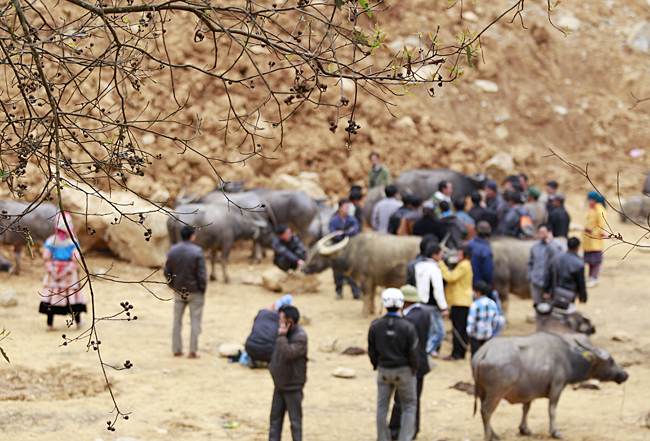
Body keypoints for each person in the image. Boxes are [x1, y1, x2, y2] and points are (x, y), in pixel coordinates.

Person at [368, 288, 419, 441]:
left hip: (383, 370)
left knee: (382, 407)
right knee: (409, 406)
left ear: (384, 304)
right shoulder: (407, 326)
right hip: (404, 371)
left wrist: (377, 364)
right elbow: (413, 352)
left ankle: (383, 438)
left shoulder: (376, 325)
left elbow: (371, 350)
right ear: (401, 304)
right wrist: (413, 367)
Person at [389, 285, 431, 440]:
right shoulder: (423, 314)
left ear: (404, 302)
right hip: (421, 364)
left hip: (409, 366)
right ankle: (413, 430)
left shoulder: (408, 320)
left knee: (401, 400)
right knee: (414, 401)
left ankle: (395, 432)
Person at [165, 225, 208, 358]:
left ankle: (176, 349)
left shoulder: (173, 250)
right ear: (192, 236)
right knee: (195, 322)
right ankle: (193, 351)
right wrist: (202, 289)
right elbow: (202, 275)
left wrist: (173, 285)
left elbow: (167, 272)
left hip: (179, 291)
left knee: (177, 321)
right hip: (195, 292)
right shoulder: (197, 252)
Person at [39, 212, 86, 331]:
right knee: (71, 297)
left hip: (56, 271)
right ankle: (78, 322)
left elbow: (46, 257)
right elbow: (76, 258)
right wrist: (67, 270)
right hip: (67, 273)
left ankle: (50, 324)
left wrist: (52, 271)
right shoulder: (72, 241)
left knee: (52, 296)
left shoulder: (50, 241)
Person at [269, 305, 308, 441]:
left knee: (295, 423)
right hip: (280, 384)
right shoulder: (284, 334)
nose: (278, 322)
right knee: (275, 420)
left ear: (289, 321)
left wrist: (281, 336)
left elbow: (289, 353)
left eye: (281, 319)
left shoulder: (300, 337)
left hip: (293, 386)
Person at [439, 245, 474, 361]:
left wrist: (441, 265)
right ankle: (461, 352)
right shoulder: (465, 265)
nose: (458, 257)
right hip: (462, 301)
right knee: (461, 328)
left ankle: (456, 353)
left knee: (457, 329)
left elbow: (450, 277)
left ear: (466, 256)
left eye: (460, 254)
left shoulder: (464, 265)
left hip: (460, 302)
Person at [415, 243, 448, 359]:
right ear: (434, 255)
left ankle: (424, 355)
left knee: (428, 332)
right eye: (440, 254)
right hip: (432, 306)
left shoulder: (419, 266)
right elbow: (438, 290)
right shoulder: (434, 269)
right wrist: (443, 307)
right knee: (439, 333)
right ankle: (425, 355)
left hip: (421, 303)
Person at [242, 295, 293, 368]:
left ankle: (252, 359)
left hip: (251, 348)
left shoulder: (261, 312)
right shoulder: (284, 320)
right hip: (269, 352)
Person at [543, 237, 587, 313]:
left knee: (555, 315)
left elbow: (548, 275)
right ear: (577, 247)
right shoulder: (579, 263)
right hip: (569, 295)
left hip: (555, 292)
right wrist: (582, 296)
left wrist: (546, 290)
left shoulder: (556, 258)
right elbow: (581, 282)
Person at [329, 199, 361, 299]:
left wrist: (342, 233)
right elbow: (333, 235)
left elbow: (355, 232)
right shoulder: (333, 221)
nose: (347, 210)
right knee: (337, 272)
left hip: (349, 250)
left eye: (348, 208)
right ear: (339, 208)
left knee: (351, 271)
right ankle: (339, 292)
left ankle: (356, 293)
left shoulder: (352, 220)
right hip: (337, 250)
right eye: (345, 207)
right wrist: (348, 232)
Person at [527, 223, 563, 309]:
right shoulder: (535, 246)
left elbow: (558, 259)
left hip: (550, 284)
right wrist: (530, 276)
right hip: (536, 282)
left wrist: (549, 244)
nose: (541, 235)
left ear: (550, 232)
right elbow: (530, 262)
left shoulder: (556, 246)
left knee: (550, 307)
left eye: (543, 232)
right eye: (539, 233)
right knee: (537, 306)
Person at [466, 281, 500, 357]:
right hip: (488, 333)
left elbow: (471, 321)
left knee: (475, 355)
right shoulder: (492, 303)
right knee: (486, 355)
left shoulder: (475, 305)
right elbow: (495, 319)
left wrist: (469, 333)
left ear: (478, 292)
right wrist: (492, 329)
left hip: (476, 334)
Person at [584, 191, 607, 287]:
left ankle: (595, 277)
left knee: (596, 260)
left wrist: (594, 232)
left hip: (595, 238)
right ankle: (589, 276)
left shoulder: (599, 209)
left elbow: (602, 224)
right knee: (589, 260)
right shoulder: (591, 209)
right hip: (588, 238)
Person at [466, 221, 495, 288]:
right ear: (490, 233)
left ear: (476, 232)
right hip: (479, 288)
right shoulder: (486, 250)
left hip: (466, 284)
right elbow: (488, 271)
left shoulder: (468, 244)